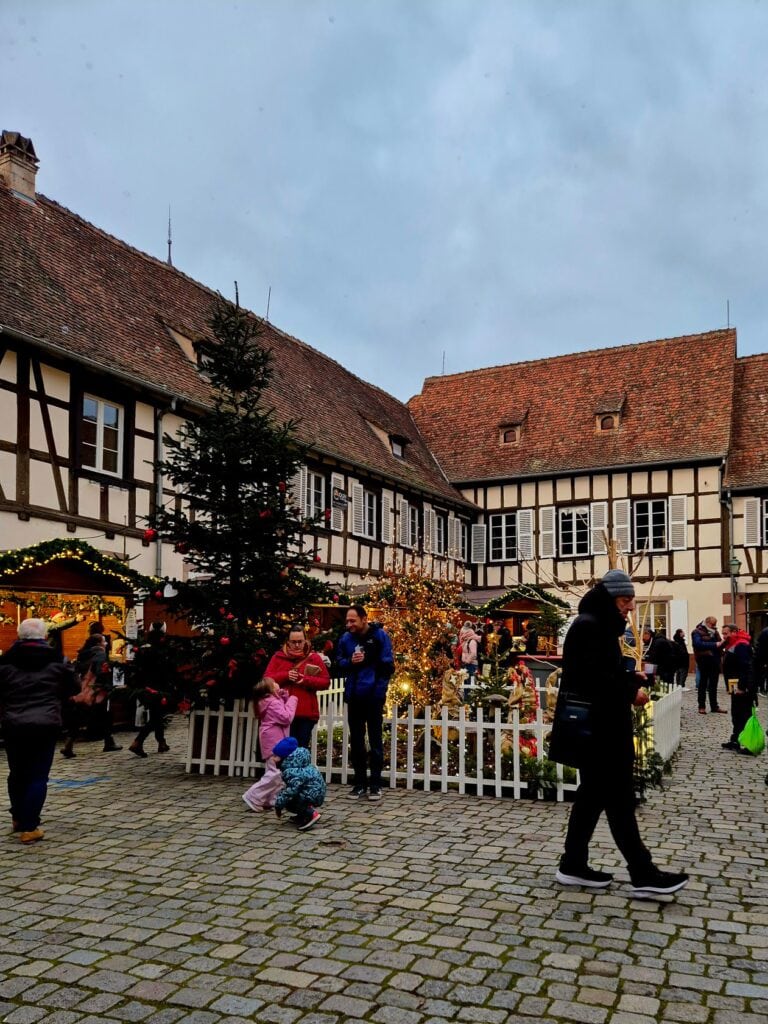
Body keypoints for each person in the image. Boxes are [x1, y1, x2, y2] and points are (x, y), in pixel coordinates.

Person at [555, 569, 689, 898]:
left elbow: (601, 672)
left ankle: (572, 864)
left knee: (591, 799)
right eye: (626, 600)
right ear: (610, 599)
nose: (630, 606)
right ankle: (642, 873)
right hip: (600, 732)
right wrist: (630, 692)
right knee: (619, 801)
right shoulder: (589, 626)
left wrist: (632, 679)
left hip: (600, 730)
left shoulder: (597, 625)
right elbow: (591, 679)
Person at [0, 618, 79, 843]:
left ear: (19, 635)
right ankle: (30, 826)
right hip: (46, 723)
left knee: (17, 772)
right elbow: (74, 687)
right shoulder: (58, 660)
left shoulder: (5, 661)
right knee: (38, 774)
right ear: (44, 636)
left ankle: (18, 816)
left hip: (14, 723)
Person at [336, 605, 394, 801]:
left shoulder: (380, 636)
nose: (349, 624)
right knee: (357, 742)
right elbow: (339, 663)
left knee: (375, 741)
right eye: (347, 621)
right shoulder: (346, 639)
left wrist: (378, 692)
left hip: (373, 696)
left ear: (364, 619)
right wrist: (350, 662)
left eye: (353, 621)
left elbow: (387, 666)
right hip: (354, 696)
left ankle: (375, 784)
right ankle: (359, 783)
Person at [263, 626, 330, 748]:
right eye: (294, 642)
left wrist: (306, 680)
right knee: (282, 753)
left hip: (305, 715)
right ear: (288, 642)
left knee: (299, 752)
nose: (297, 645)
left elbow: (325, 682)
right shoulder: (278, 657)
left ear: (306, 641)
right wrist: (286, 675)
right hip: (282, 714)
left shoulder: (313, 658)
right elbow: (267, 679)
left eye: (300, 641)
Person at [62, 633, 121, 756]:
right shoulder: (100, 654)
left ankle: (69, 743)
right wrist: (106, 685)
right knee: (105, 716)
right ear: (99, 643)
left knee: (79, 716)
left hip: (82, 690)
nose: (106, 643)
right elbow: (101, 671)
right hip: (96, 690)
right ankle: (109, 742)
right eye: (104, 641)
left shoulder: (84, 654)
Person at [242, 677, 298, 810]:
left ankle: (269, 799)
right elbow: (286, 718)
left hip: (272, 740)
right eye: (274, 683)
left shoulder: (269, 701)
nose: (277, 684)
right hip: (275, 741)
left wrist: (283, 697)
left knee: (274, 771)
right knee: (276, 773)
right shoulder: (273, 703)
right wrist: (292, 700)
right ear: (270, 689)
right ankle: (253, 796)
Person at [129, 622, 174, 757]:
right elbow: (165, 670)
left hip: (144, 686)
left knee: (157, 715)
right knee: (155, 717)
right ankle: (138, 742)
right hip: (157, 687)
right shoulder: (162, 649)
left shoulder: (143, 648)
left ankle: (161, 742)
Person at [272, 736, 326, 831]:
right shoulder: (300, 764)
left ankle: (310, 814)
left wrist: (279, 804)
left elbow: (291, 791)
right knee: (294, 797)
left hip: (312, 794)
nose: (273, 759)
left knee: (289, 802)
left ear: (284, 757)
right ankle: (302, 815)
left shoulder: (291, 771)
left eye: (276, 756)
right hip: (316, 792)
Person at [720, 623, 756, 753]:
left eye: (726, 633)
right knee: (736, 714)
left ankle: (748, 744)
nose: (724, 636)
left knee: (743, 714)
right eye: (723, 634)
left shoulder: (741, 645)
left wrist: (742, 687)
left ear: (734, 632)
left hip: (742, 687)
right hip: (734, 685)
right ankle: (736, 739)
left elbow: (745, 667)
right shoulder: (732, 644)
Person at [692, 617, 726, 715]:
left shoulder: (715, 632)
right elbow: (698, 644)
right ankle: (701, 706)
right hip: (704, 660)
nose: (714, 626)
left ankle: (714, 706)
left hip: (715, 660)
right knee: (702, 684)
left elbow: (719, 643)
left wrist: (724, 643)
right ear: (706, 622)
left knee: (713, 685)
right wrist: (715, 644)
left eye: (715, 624)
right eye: (712, 624)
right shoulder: (696, 632)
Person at [458, 621, 481, 695]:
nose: (461, 635)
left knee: (470, 685)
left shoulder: (472, 641)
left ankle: (469, 700)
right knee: (466, 685)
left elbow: (473, 653)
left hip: (471, 665)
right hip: (467, 665)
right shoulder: (466, 641)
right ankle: (466, 700)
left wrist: (467, 661)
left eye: (462, 633)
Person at [753, 625, 768, 695]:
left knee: (762, 673)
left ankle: (762, 689)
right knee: (763, 673)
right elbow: (763, 647)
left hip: (761, 656)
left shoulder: (765, 630)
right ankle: (762, 689)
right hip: (763, 656)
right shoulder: (766, 631)